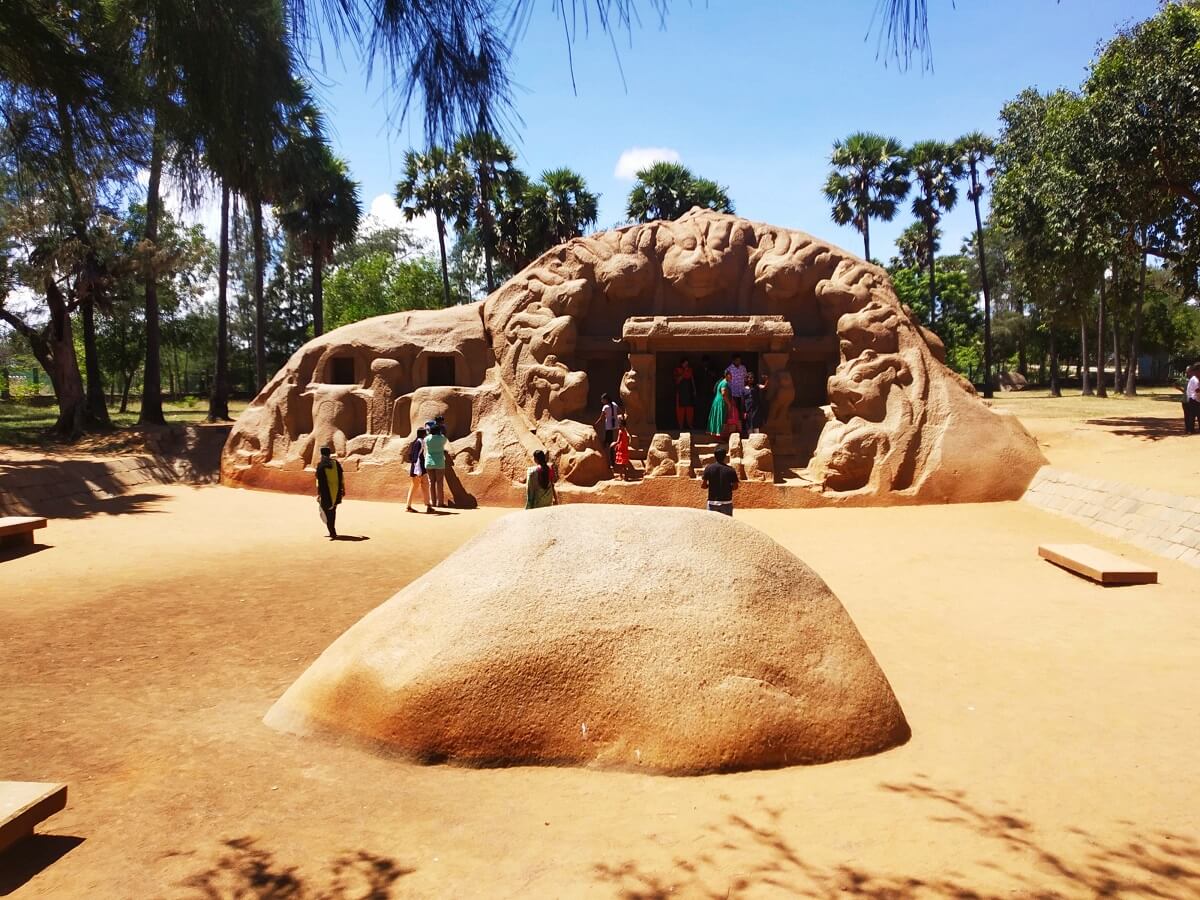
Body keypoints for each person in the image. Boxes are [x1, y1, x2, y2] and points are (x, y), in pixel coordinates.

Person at [314, 446, 345, 538]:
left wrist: (319, 494)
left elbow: (319, 481)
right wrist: (343, 489)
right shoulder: (336, 463)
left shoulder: (321, 465)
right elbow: (342, 477)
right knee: (333, 512)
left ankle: (332, 531)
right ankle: (332, 530)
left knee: (327, 512)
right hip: (336, 492)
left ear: (322, 454)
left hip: (326, 493)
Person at [701, 446, 739, 516]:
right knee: (727, 524)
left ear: (715, 456)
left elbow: (703, 486)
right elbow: (735, 486)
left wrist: (710, 485)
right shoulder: (731, 470)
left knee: (712, 523)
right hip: (726, 501)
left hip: (712, 502)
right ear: (725, 456)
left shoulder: (708, 468)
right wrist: (727, 487)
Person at [405, 427, 431, 513]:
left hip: (421, 468)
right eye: (425, 433)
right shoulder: (418, 443)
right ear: (423, 434)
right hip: (418, 469)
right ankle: (408, 506)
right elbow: (415, 458)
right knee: (414, 487)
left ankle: (428, 505)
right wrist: (418, 471)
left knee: (426, 485)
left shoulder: (421, 441)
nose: (426, 434)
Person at [424, 423, 449, 509]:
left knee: (431, 483)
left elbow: (426, 440)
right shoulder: (442, 439)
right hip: (439, 463)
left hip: (429, 462)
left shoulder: (427, 439)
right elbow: (445, 437)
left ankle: (433, 502)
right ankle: (440, 502)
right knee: (439, 483)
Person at [594, 393, 621, 466]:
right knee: (613, 443)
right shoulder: (614, 404)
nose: (601, 401)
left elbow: (601, 418)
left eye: (602, 399)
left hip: (609, 428)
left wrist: (595, 424)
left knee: (609, 445)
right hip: (615, 427)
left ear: (605, 400)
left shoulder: (605, 407)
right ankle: (613, 460)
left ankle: (610, 462)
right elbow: (620, 412)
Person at [674, 357, 698, 431]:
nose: (686, 365)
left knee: (690, 409)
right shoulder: (677, 370)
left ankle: (690, 425)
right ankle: (681, 425)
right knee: (680, 410)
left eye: (687, 363)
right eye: (685, 363)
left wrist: (694, 390)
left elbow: (692, 380)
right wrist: (684, 373)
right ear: (682, 363)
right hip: (681, 392)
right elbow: (677, 380)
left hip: (689, 392)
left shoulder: (690, 370)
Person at [613, 416, 632, 481]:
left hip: (621, 448)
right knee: (623, 463)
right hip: (624, 447)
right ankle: (624, 476)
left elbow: (618, 441)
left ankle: (621, 476)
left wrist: (613, 445)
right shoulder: (625, 431)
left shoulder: (620, 432)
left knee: (621, 464)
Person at [1185, 363, 1200, 434]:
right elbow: (1197, 390)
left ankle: (1190, 430)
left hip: (1193, 398)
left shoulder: (1194, 378)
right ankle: (1190, 430)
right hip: (1194, 399)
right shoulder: (1195, 379)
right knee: (1194, 415)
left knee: (1193, 415)